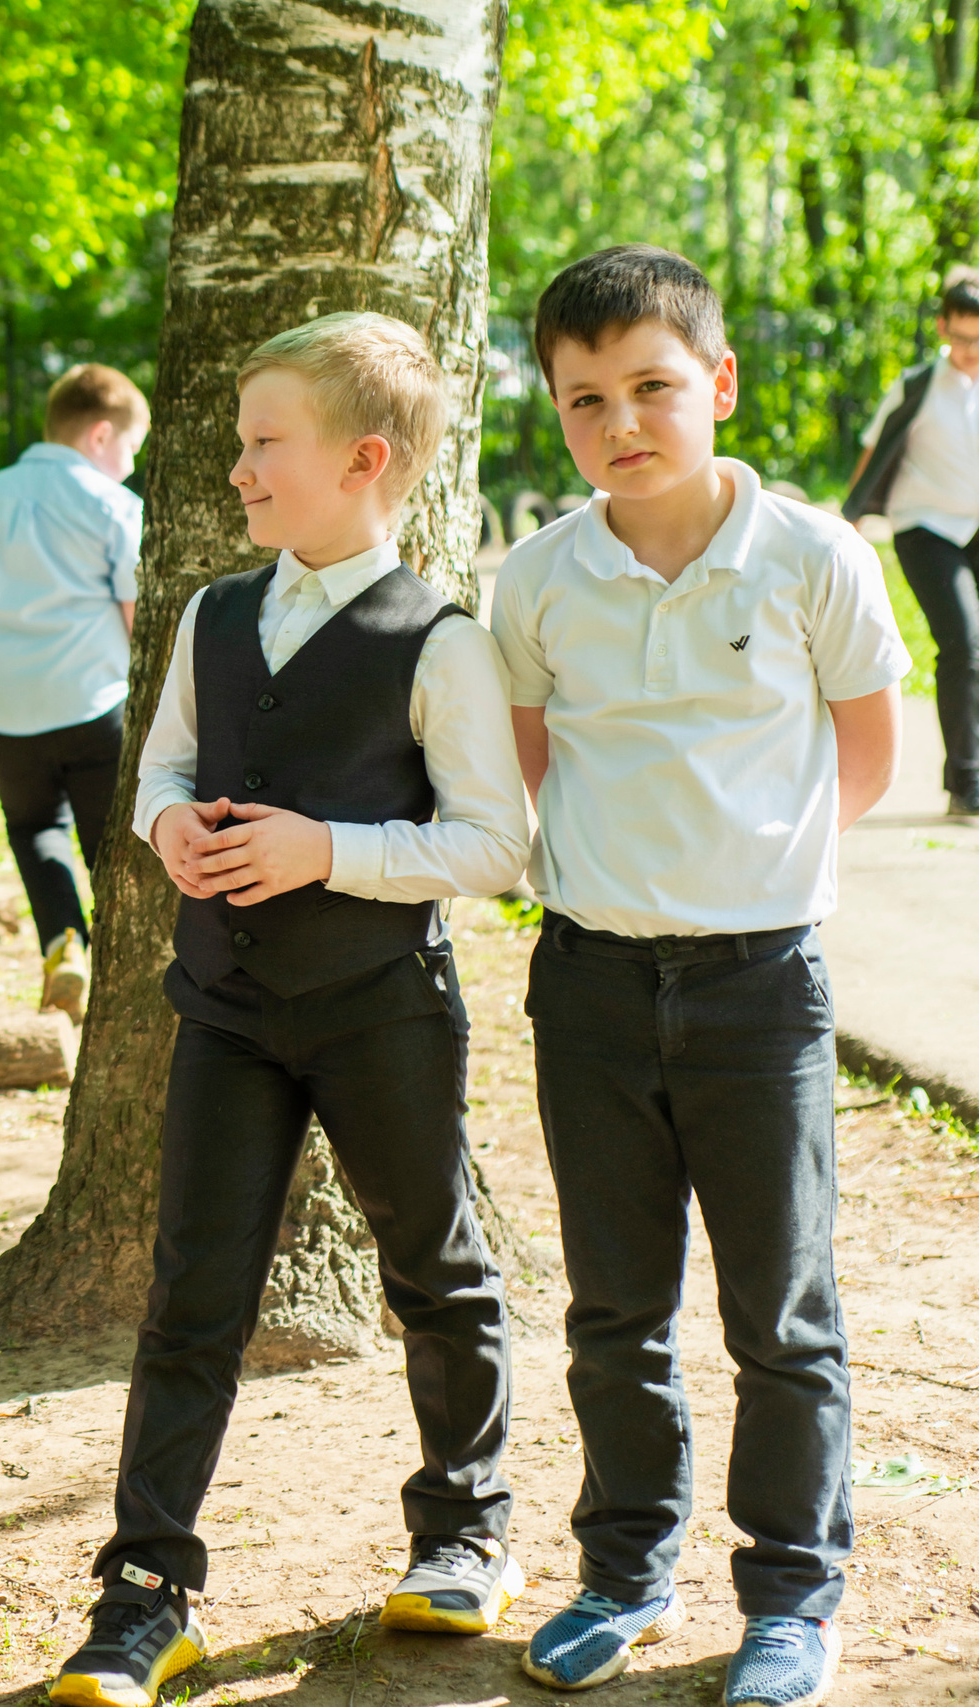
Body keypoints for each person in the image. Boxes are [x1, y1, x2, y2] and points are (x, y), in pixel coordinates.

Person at [50, 313, 530, 1707]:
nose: (241, 466)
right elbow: (164, 770)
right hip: (228, 1011)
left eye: (267, 443)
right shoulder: (212, 611)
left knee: (433, 1267)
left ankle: (466, 1532)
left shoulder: (440, 639)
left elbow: (496, 845)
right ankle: (146, 1593)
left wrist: (332, 849)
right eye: (243, 442)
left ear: (364, 460)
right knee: (190, 1297)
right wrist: (165, 834)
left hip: (384, 1007)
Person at [495, 244, 907, 1707]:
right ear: (555, 411)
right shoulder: (536, 578)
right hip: (593, 986)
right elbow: (530, 769)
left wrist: (749, 868)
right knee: (615, 1307)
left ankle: (793, 1595)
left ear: (718, 384)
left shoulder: (810, 558)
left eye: (655, 388)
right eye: (585, 398)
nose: (623, 423)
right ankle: (623, 1567)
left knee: (780, 1314)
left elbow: (864, 758)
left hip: (761, 988)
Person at [0, 363, 148, 1018]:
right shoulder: (112, 504)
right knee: (110, 843)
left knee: (34, 826)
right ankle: (123, 969)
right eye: (129, 448)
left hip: (4, 708)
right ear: (99, 435)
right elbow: (132, 613)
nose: (128, 464)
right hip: (91, 701)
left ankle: (63, 943)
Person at [843, 266, 979, 817]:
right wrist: (848, 521)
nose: (972, 350)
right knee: (964, 645)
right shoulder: (918, 385)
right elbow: (875, 454)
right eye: (963, 337)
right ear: (943, 327)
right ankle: (967, 784)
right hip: (926, 528)